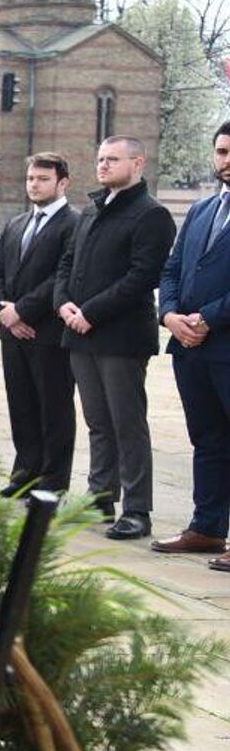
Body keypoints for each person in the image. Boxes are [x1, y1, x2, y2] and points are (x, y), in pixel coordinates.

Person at [54, 135, 177, 541]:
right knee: (97, 422)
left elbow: (142, 277)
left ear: (137, 163)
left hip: (120, 337)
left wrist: (91, 312)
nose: (103, 165)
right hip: (80, 334)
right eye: (101, 158)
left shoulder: (151, 214)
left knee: (127, 423)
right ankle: (99, 497)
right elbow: (67, 265)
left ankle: (137, 509)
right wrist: (65, 305)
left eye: (113, 159)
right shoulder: (91, 210)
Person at [155, 121, 230, 566]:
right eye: (221, 151)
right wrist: (169, 315)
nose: (226, 160)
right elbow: (172, 269)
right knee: (207, 439)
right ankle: (206, 528)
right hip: (190, 347)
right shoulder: (202, 210)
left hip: (224, 342)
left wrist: (209, 316)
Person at [0, 153, 80, 496]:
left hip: (48, 332)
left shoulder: (74, 224)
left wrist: (23, 310)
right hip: (13, 332)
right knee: (21, 405)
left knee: (54, 408)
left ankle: (53, 482)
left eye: (42, 179)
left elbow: (62, 276)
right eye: (30, 179)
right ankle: (24, 475)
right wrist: (7, 311)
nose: (34, 185)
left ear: (62, 182)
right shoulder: (17, 223)